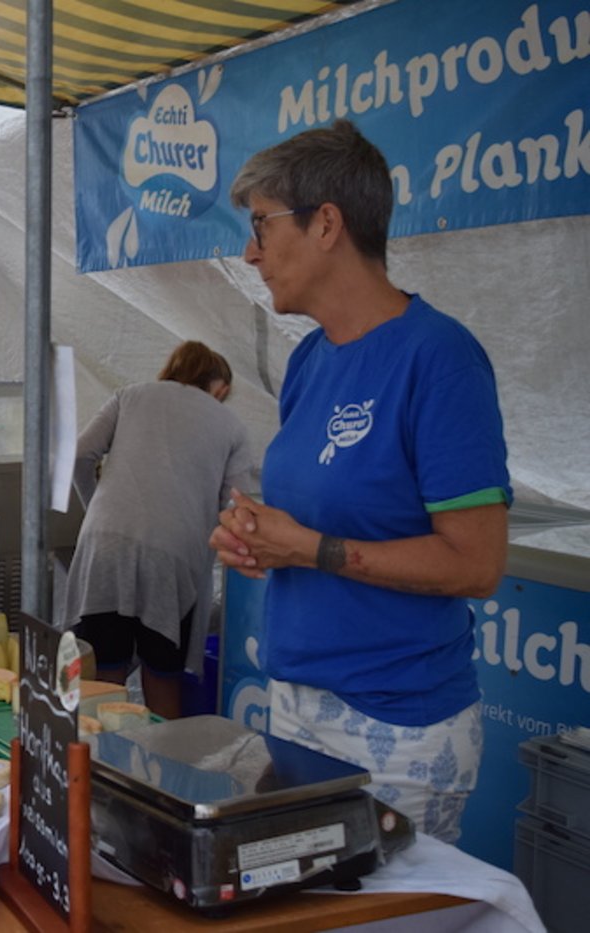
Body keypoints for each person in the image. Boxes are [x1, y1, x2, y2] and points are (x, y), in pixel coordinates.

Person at [210, 120, 510, 842]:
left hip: (397, 726)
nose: (250, 252)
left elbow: (476, 564)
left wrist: (310, 548)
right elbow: (317, 514)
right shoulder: (310, 359)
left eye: (261, 224)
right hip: (296, 707)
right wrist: (255, 537)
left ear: (326, 224)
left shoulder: (439, 359)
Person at [63, 341, 253, 719]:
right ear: (221, 388)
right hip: (175, 556)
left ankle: (98, 756)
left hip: (106, 543)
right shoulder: (231, 425)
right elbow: (236, 506)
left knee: (105, 676)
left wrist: (96, 507)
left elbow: (80, 454)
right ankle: (164, 756)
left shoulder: (129, 396)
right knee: (162, 677)